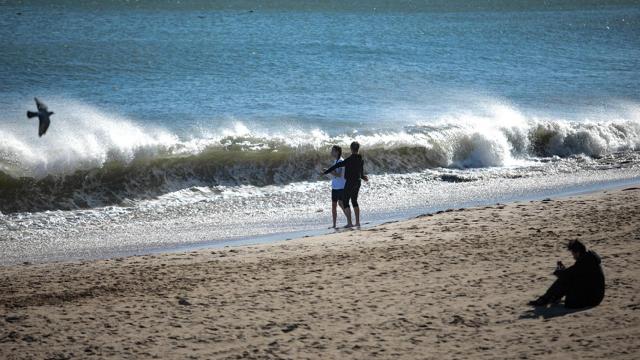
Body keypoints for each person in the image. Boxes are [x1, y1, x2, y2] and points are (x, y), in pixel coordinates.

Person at [528, 239, 605, 309]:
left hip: (592, 299)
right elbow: (575, 273)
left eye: (573, 253)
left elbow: (572, 273)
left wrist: (560, 273)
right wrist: (564, 272)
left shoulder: (584, 262)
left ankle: (546, 299)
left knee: (564, 280)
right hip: (595, 296)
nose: (573, 256)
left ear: (577, 252)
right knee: (565, 278)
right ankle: (549, 298)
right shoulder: (588, 259)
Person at [322, 141, 368, 228]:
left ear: (351, 149)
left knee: (345, 201)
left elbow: (336, 166)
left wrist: (326, 172)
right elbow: (361, 173)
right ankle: (357, 222)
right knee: (354, 201)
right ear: (358, 149)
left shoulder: (349, 160)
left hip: (350, 182)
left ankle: (349, 223)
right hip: (358, 182)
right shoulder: (361, 159)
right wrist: (363, 177)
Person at [328, 145, 346, 228]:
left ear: (337, 152)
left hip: (341, 186)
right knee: (334, 205)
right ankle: (334, 225)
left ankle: (349, 220)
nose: (331, 152)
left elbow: (338, 174)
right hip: (335, 186)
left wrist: (329, 171)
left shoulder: (341, 161)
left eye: (333, 151)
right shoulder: (335, 161)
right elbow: (335, 174)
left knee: (341, 203)